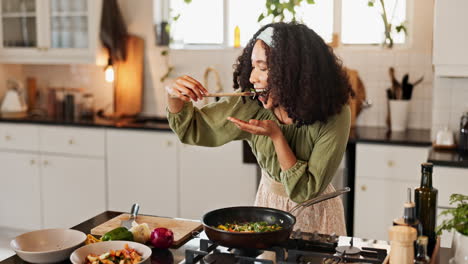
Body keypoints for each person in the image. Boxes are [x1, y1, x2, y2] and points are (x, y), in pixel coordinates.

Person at [166, 22, 353, 235]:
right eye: (252, 66)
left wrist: (277, 136)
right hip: (267, 208)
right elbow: (191, 129)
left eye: (262, 68)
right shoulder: (251, 103)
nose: (252, 78)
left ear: (293, 72)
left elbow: (304, 191)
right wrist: (174, 96)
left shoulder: (334, 113)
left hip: (317, 214)